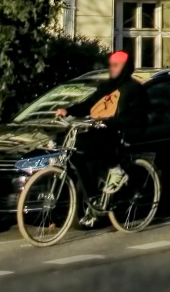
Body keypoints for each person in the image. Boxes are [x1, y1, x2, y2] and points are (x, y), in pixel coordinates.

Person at [55, 50, 148, 220]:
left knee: (102, 138)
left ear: (126, 67)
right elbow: (90, 104)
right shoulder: (107, 87)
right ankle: (93, 200)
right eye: (110, 65)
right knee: (78, 152)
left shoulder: (134, 89)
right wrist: (68, 111)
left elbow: (136, 116)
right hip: (106, 128)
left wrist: (113, 121)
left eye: (116, 65)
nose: (111, 68)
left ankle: (117, 171)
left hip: (126, 132)